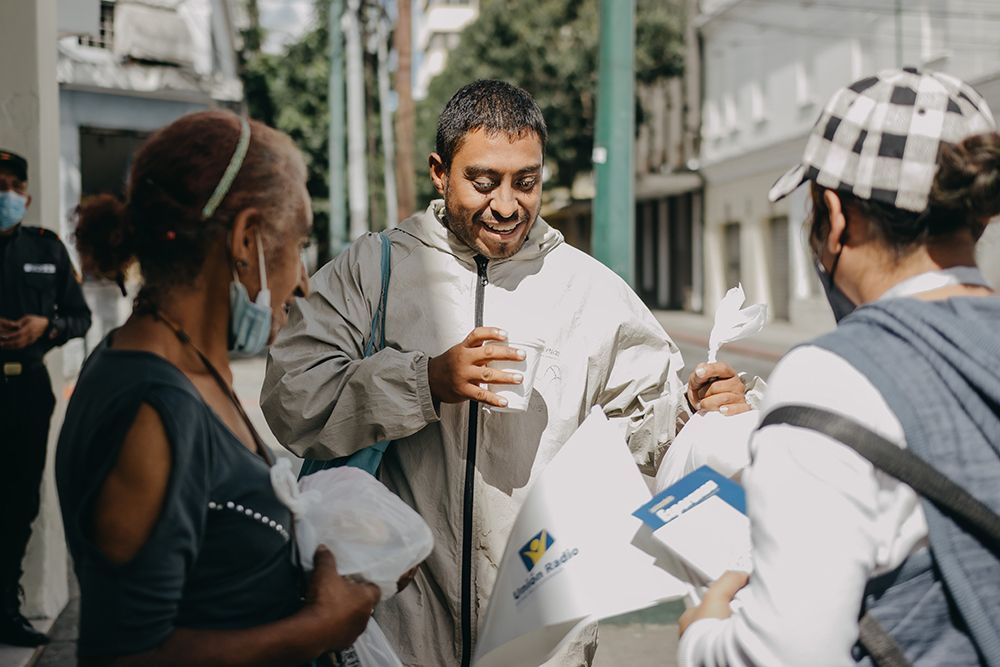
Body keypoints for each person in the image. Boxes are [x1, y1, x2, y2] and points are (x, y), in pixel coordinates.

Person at [262, 79, 751, 666]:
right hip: (397, 631)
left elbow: (651, 426)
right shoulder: (376, 270)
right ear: (440, 173)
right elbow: (293, 397)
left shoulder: (590, 290)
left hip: (542, 634)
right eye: (483, 180)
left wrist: (697, 409)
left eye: (526, 181)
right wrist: (425, 382)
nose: (506, 204)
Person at [678, 68, 1000, 666]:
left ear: (834, 214)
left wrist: (704, 635)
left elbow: (787, 656)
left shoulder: (830, 379)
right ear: (975, 218)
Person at [56, 111, 383, 666]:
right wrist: (319, 628)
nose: (303, 281)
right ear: (245, 238)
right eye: (298, 242)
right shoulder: (148, 409)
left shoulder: (194, 370)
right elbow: (123, 655)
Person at [0, 149, 91, 647]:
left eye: (13, 185)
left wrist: (46, 326)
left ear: (27, 195)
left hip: (30, 391)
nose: (6, 194)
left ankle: (5, 609)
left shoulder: (47, 248)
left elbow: (80, 318)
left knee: (19, 502)